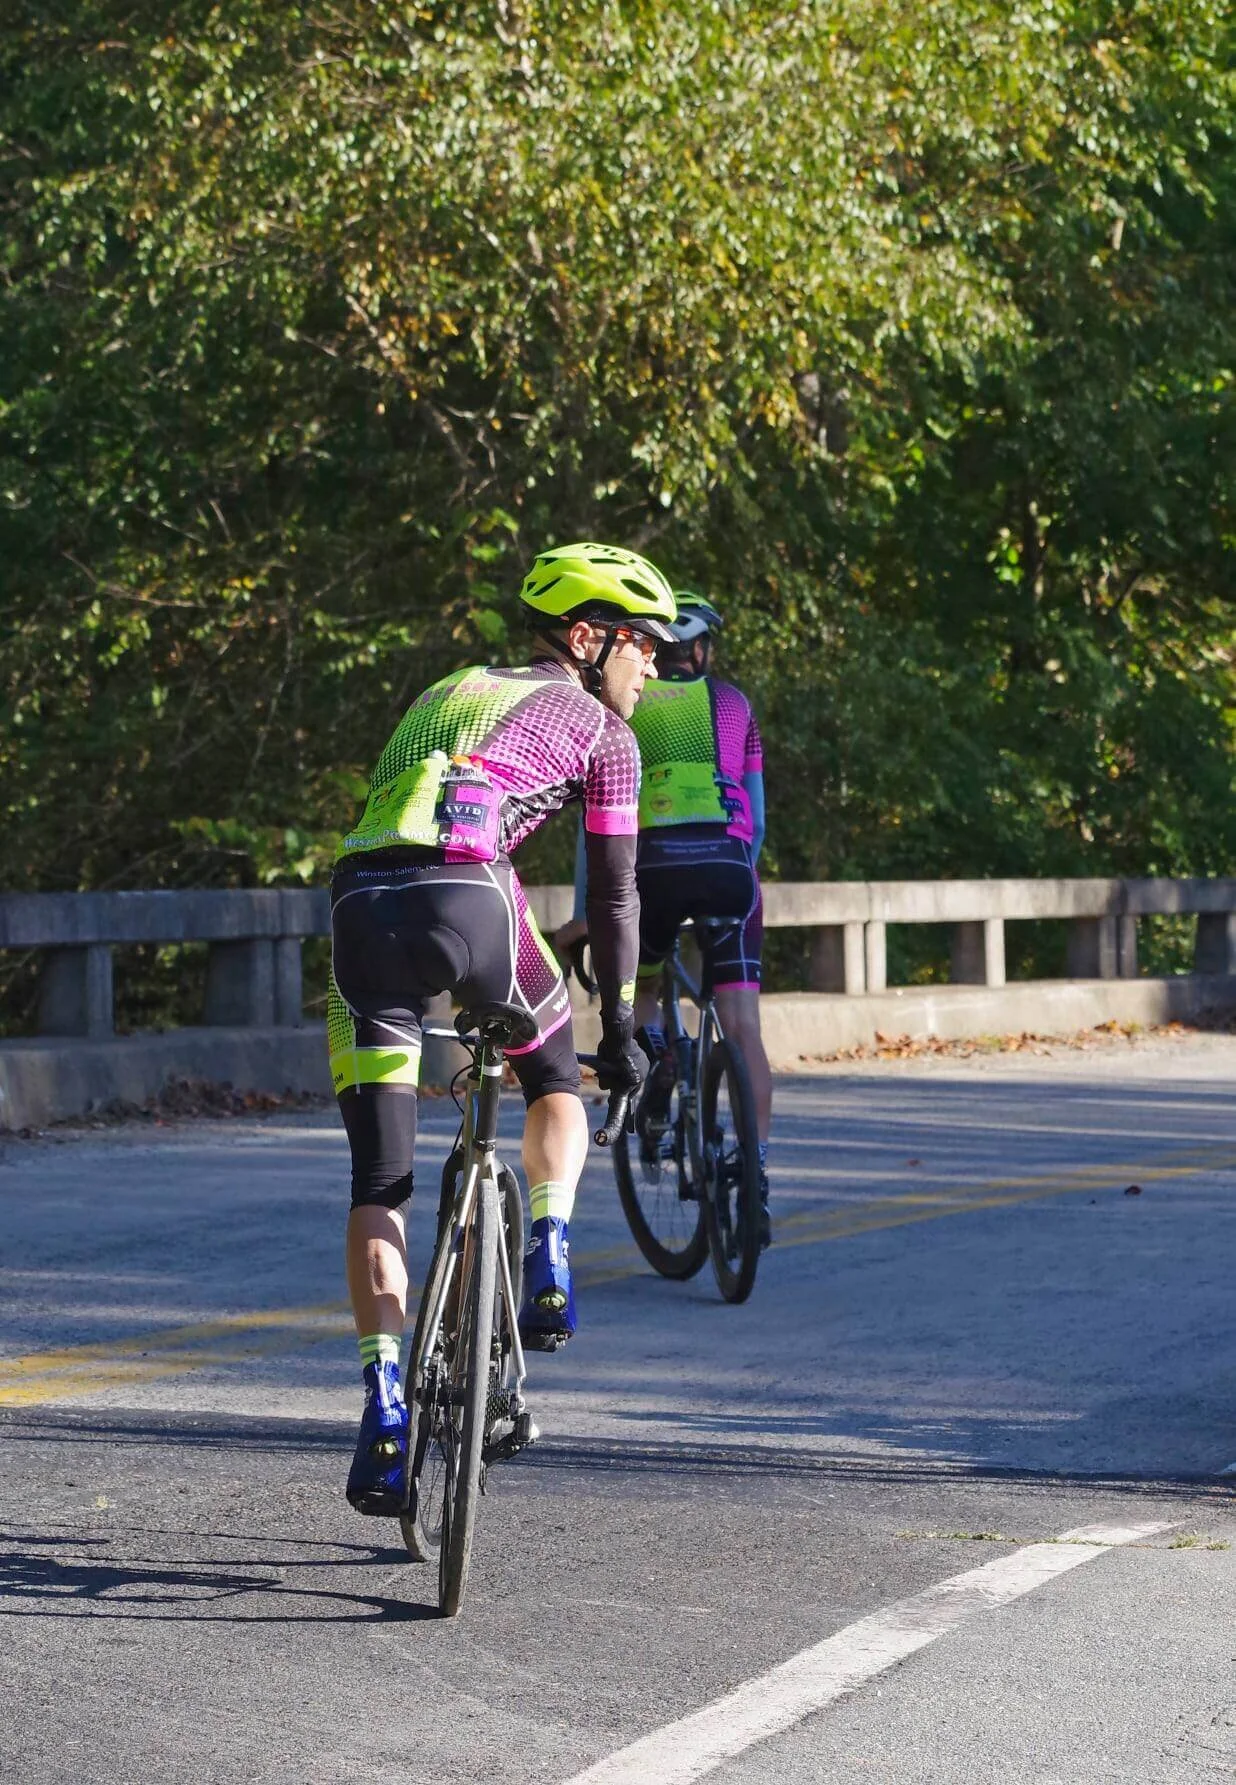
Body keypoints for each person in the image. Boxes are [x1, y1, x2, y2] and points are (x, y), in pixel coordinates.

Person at [329, 542, 676, 1516]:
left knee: (380, 1186)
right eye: (640, 644)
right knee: (556, 1081)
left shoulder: (444, 688)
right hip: (475, 900)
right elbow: (614, 898)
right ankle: (552, 1250)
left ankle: (386, 1405)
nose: (649, 665)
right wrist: (619, 1022)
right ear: (586, 636)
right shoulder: (606, 737)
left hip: (360, 908)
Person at [560, 593, 773, 1239]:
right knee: (741, 1025)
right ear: (703, 649)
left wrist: (583, 915)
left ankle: (655, 1072)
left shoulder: (623, 706)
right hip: (732, 872)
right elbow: (757, 821)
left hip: (650, 872)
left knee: (646, 987)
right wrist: (736, 871)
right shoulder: (735, 704)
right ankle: (756, 1174)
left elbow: (593, 836)